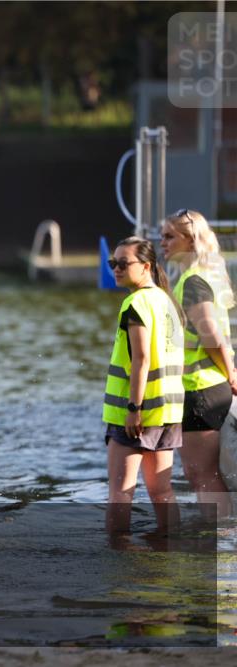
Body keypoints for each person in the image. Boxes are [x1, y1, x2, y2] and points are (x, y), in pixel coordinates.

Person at [103, 236, 184, 539]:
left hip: (138, 413)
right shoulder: (166, 301)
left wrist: (133, 409)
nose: (116, 269)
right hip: (168, 410)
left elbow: (142, 359)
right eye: (113, 263)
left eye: (123, 263)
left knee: (120, 492)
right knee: (162, 491)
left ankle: (117, 554)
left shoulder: (136, 303)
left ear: (146, 266)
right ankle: (171, 547)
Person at [161, 209, 235, 519]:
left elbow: (210, 335)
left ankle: (221, 541)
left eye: (169, 236)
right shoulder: (205, 276)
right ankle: (221, 539)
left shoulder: (192, 282)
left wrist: (232, 374)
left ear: (190, 241)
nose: (162, 242)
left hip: (200, 389)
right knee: (206, 474)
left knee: (202, 475)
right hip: (208, 387)